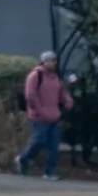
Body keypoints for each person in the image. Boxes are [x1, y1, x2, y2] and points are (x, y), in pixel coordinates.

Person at [18, 49, 69, 179]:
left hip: (54, 115)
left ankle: (50, 172)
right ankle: (24, 158)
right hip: (39, 116)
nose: (54, 63)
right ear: (44, 61)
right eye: (52, 60)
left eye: (55, 60)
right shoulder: (35, 76)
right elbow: (30, 95)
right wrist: (39, 110)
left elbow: (61, 91)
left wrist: (68, 101)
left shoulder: (55, 77)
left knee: (54, 146)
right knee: (38, 141)